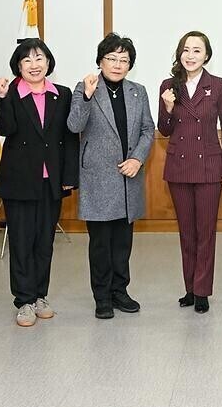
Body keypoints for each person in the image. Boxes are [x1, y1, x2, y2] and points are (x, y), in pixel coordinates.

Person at [68, 33, 155, 320]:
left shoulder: (138, 91)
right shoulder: (86, 87)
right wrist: (86, 96)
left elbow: (147, 129)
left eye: (124, 60)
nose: (118, 65)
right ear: (100, 61)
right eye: (112, 58)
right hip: (98, 177)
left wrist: (138, 158)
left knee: (122, 241)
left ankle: (120, 291)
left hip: (129, 175)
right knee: (100, 243)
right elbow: (74, 125)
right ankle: (102, 297)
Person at [0, 39, 79, 327]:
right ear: (18, 65)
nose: (34, 65)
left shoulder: (62, 94)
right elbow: (5, 128)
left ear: (48, 62)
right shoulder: (10, 93)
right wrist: (2, 97)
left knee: (45, 241)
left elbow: (69, 138)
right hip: (19, 181)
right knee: (21, 242)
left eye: (39, 58)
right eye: (27, 60)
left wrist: (69, 177)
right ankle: (24, 300)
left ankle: (40, 295)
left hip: (50, 181)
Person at [156, 31, 222, 314]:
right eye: (186, 50)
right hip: (178, 167)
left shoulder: (218, 85)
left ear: (207, 55)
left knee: (206, 233)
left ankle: (202, 291)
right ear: (180, 54)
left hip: (209, 167)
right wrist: (167, 107)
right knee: (186, 232)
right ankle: (189, 288)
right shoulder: (169, 86)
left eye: (197, 50)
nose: (190, 55)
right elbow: (164, 129)